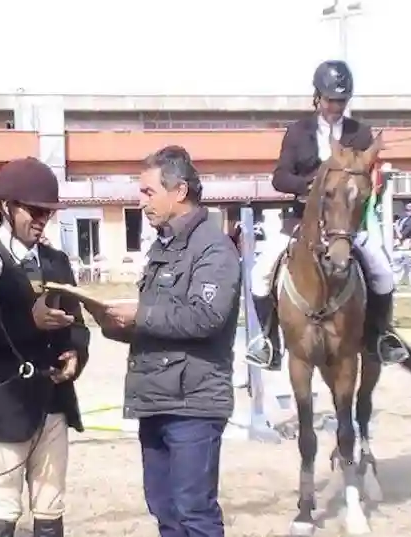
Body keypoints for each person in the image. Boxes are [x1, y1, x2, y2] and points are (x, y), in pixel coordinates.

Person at [90, 145, 242, 537]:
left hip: (193, 405)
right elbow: (161, 321)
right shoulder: (164, 246)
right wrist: (113, 323)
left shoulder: (213, 247)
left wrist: (139, 315)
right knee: (164, 509)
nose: (141, 202)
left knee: (195, 513)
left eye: (148, 192)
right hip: (156, 400)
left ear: (179, 191)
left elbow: (206, 317)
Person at [0, 157, 91, 537]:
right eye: (34, 210)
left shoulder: (57, 262)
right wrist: (30, 323)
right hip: (4, 402)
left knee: (50, 510)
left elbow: (78, 325)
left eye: (48, 212)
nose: (42, 219)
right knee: (4, 510)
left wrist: (76, 355)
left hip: (54, 401)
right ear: (4, 206)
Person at [246, 59, 408, 370]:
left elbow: (366, 176)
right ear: (317, 97)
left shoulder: (360, 133)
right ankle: (268, 341)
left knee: (382, 271)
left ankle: (381, 336)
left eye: (341, 101)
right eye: (330, 99)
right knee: (260, 274)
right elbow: (280, 177)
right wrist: (307, 186)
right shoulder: (298, 132)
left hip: (346, 225)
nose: (335, 106)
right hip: (301, 222)